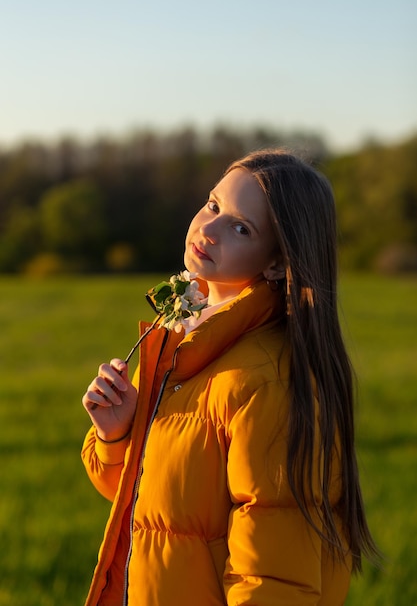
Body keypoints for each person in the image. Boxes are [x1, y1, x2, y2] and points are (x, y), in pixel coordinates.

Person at [81, 148, 379, 606]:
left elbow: (273, 580)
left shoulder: (265, 381)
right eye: (213, 205)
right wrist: (117, 435)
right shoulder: (179, 339)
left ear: (278, 262)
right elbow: (155, 508)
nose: (210, 229)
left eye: (241, 227)